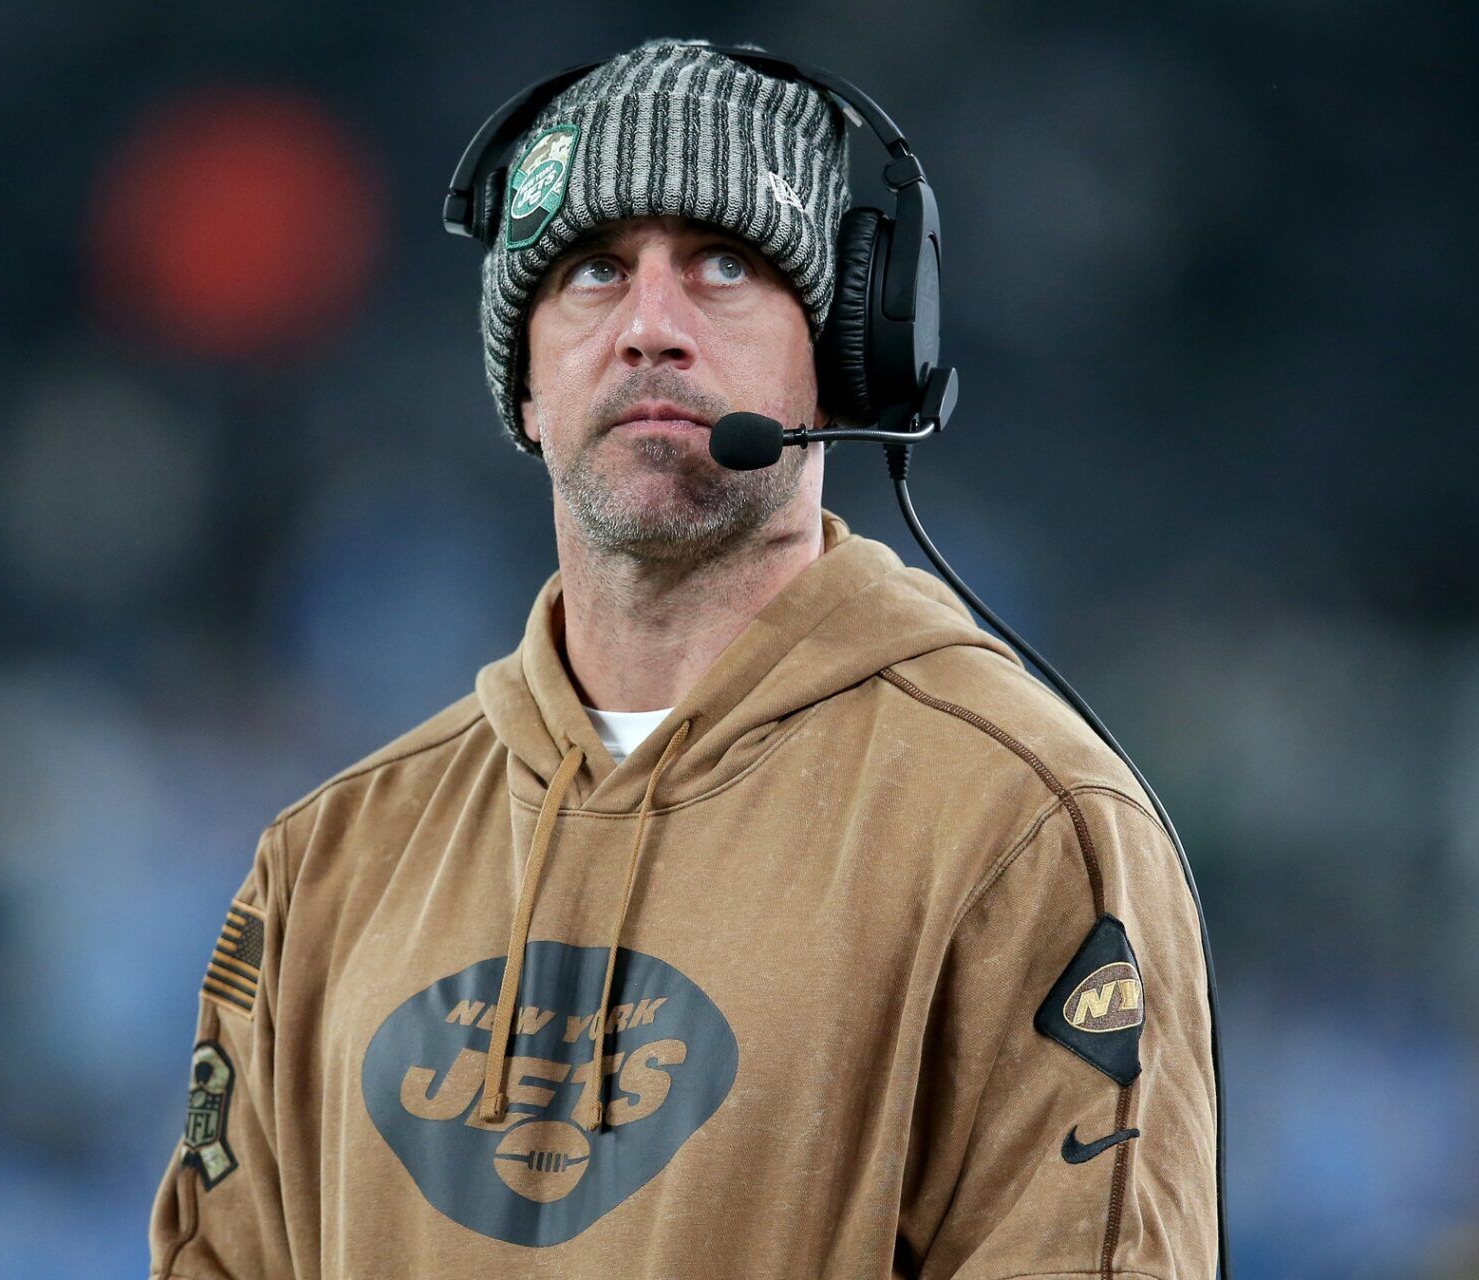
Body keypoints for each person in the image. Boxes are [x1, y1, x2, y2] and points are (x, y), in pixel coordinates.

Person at [149, 39, 1218, 1279]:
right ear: (528, 381)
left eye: (724, 264)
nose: (651, 325)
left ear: (844, 351)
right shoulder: (323, 863)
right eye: (594, 271)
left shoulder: (1022, 824)